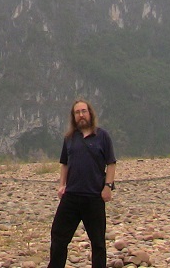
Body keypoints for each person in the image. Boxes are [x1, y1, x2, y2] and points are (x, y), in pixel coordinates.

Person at [47, 99, 116, 268]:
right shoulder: (70, 138)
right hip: (71, 196)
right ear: (74, 117)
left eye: (84, 111)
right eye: (77, 112)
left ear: (90, 113)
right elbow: (64, 163)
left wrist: (108, 187)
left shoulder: (102, 136)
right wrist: (61, 185)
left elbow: (111, 163)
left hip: (94, 197)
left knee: (98, 242)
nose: (81, 115)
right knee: (58, 237)